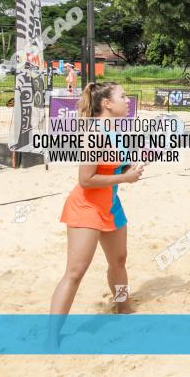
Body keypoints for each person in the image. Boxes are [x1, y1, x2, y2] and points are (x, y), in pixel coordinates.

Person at [49, 82, 145, 346]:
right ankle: (51, 337)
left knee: (119, 261)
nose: (127, 100)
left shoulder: (117, 132)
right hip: (87, 206)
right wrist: (126, 178)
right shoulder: (95, 133)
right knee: (76, 271)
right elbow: (86, 179)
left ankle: (124, 309)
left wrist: (135, 164)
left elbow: (116, 168)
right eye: (122, 96)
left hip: (111, 205)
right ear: (107, 104)